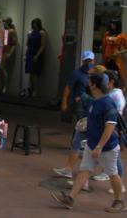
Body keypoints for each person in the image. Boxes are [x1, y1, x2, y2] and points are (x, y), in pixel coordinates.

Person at [51, 73, 127, 213]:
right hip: (92, 145)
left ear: (94, 86)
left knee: (113, 174)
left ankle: (119, 201)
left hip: (106, 148)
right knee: (84, 170)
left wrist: (99, 146)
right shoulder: (97, 101)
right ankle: (70, 198)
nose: (88, 85)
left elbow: (110, 127)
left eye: (90, 82)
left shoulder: (107, 103)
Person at [53, 51, 95, 179]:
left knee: (82, 134)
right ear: (83, 61)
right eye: (86, 61)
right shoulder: (76, 73)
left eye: (90, 61)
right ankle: (76, 156)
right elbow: (68, 88)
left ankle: (78, 155)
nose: (88, 63)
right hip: (80, 106)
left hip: (91, 105)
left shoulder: (94, 74)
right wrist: (64, 102)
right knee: (80, 130)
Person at [104, 70, 126, 194]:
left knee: (115, 158)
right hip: (111, 128)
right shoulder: (114, 93)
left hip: (113, 129)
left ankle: (120, 185)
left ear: (111, 82)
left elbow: (116, 114)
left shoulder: (115, 95)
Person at [23, 18, 47, 97]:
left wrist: (37, 55)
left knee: (34, 73)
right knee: (30, 72)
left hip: (36, 53)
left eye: (36, 26)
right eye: (33, 26)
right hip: (29, 53)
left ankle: (35, 90)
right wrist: (25, 54)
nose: (34, 27)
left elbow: (43, 45)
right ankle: (31, 89)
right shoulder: (30, 32)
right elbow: (27, 44)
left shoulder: (42, 33)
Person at [103, 21, 127, 85]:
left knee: (115, 76)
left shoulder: (122, 36)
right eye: (111, 23)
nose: (112, 25)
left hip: (116, 60)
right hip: (107, 59)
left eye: (114, 24)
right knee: (107, 75)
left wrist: (118, 52)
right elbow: (104, 46)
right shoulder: (107, 34)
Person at [0, 17, 18, 94]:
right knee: (1, 69)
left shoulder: (12, 31)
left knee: (3, 68)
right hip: (2, 51)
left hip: (6, 52)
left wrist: (10, 53)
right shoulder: (6, 31)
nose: (4, 24)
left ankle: (5, 86)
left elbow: (14, 44)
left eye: (5, 23)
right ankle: (2, 86)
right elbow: (5, 42)